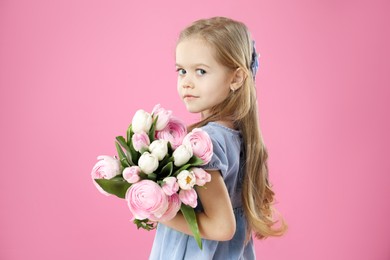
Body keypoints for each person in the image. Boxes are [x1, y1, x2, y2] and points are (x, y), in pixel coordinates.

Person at [149, 16, 287, 260]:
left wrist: (160, 213)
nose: (187, 83)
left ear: (235, 78)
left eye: (200, 71)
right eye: (182, 71)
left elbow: (222, 227)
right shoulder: (239, 136)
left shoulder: (204, 142)